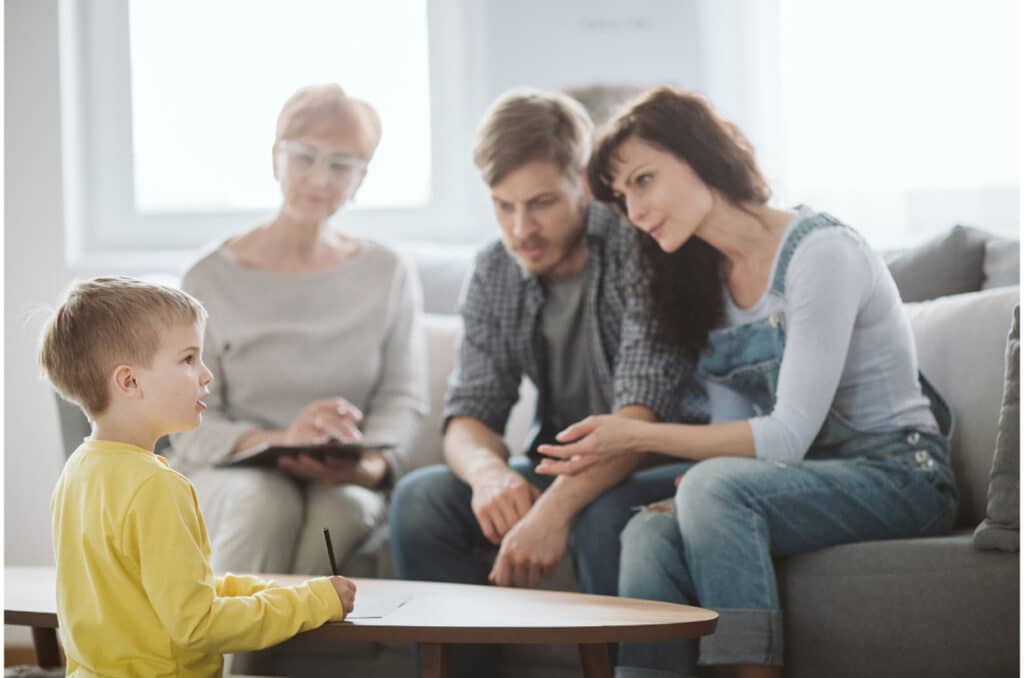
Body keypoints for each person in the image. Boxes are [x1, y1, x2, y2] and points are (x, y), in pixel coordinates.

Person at [536, 86, 958, 678]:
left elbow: (784, 437)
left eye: (644, 180)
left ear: (698, 154)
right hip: (800, 477)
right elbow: (731, 428)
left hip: (900, 475)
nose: (634, 211)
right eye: (622, 196)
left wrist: (637, 438)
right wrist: (691, 487)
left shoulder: (821, 252)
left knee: (710, 488)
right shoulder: (702, 281)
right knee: (647, 533)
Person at [389, 89, 705, 675]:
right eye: (502, 206)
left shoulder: (641, 245)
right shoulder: (494, 269)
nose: (521, 228)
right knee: (422, 499)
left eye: (541, 203)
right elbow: (469, 415)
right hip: (561, 462)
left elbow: (642, 420)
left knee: (609, 516)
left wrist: (552, 511)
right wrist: (487, 476)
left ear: (584, 182)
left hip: (654, 459)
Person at [169, 84, 428, 577]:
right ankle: (222, 654)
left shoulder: (387, 271)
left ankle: (256, 651)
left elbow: (403, 398)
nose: (320, 177)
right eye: (304, 157)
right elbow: (189, 418)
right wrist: (281, 438)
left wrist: (369, 465)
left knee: (342, 511)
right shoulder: (207, 277)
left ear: (361, 178)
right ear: (276, 158)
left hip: (342, 479)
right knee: (265, 502)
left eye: (342, 164)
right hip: (231, 472)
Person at [42, 276, 356, 677]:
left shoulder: (77, 474)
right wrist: (313, 603)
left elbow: (178, 589)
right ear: (129, 382)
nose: (206, 375)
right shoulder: (156, 487)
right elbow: (198, 624)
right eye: (189, 359)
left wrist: (280, 592)